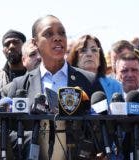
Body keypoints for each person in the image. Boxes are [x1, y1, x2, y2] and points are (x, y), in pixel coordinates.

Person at [7, 15, 97, 160]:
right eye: (49, 34)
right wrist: (37, 142)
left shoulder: (89, 81)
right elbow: (8, 132)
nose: (57, 38)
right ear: (35, 43)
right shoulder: (18, 85)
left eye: (62, 33)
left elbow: (102, 127)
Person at [67, 34, 123, 103]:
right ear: (75, 58)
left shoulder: (115, 86)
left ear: (100, 59)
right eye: (83, 50)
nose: (89, 54)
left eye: (94, 50)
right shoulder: (66, 83)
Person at [0, 29, 27, 98]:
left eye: (16, 42)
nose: (11, 46)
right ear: (3, 51)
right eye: (7, 44)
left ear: (25, 46)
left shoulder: (37, 74)